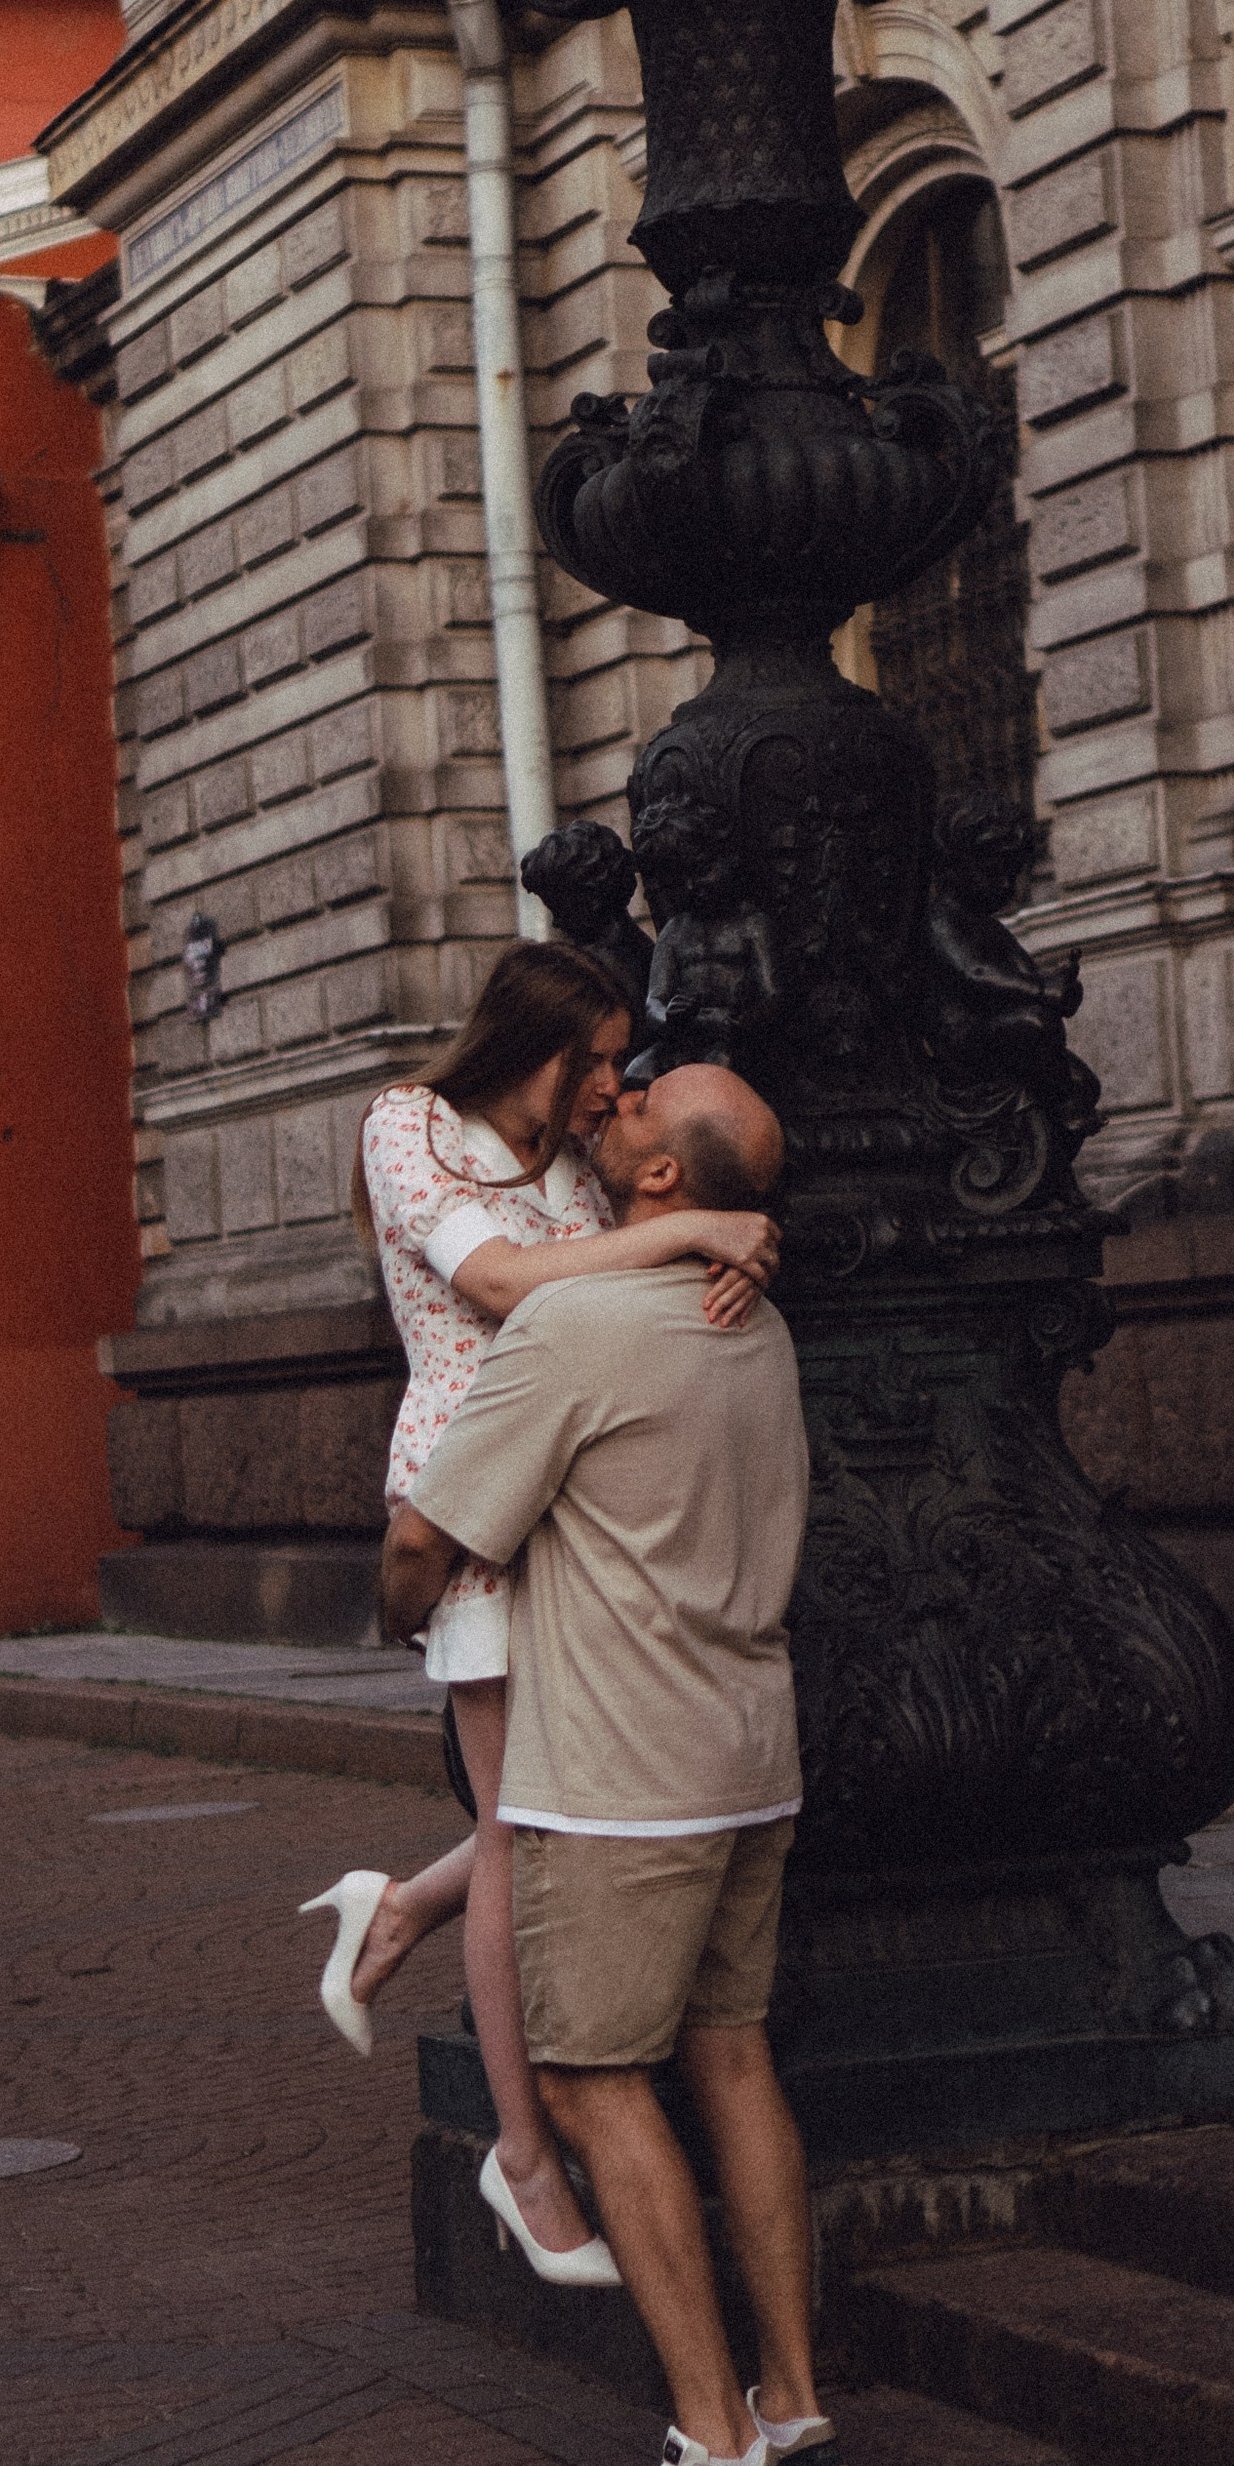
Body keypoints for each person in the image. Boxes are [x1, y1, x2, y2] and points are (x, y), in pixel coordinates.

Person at [383, 1061, 852, 2466]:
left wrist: (400, 1609)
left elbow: (431, 1532)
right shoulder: (755, 1322)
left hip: (615, 1777)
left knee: (590, 2080)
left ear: (658, 1181)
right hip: (749, 1757)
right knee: (734, 2059)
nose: (619, 1094)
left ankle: (717, 2454)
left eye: (645, 1101)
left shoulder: (574, 1327)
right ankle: (795, 2413)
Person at [299, 943, 780, 2288]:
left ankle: (398, 1908)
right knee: (522, 1832)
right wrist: (693, 1234)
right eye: (601, 1058)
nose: (614, 1086)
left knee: (555, 1812)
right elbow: (504, 1283)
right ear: (537, 1042)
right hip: (470, 1503)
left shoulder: (579, 1158)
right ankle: (522, 2157)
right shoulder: (410, 1126)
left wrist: (739, 1250)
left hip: (584, 1510)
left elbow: (650, 1241)